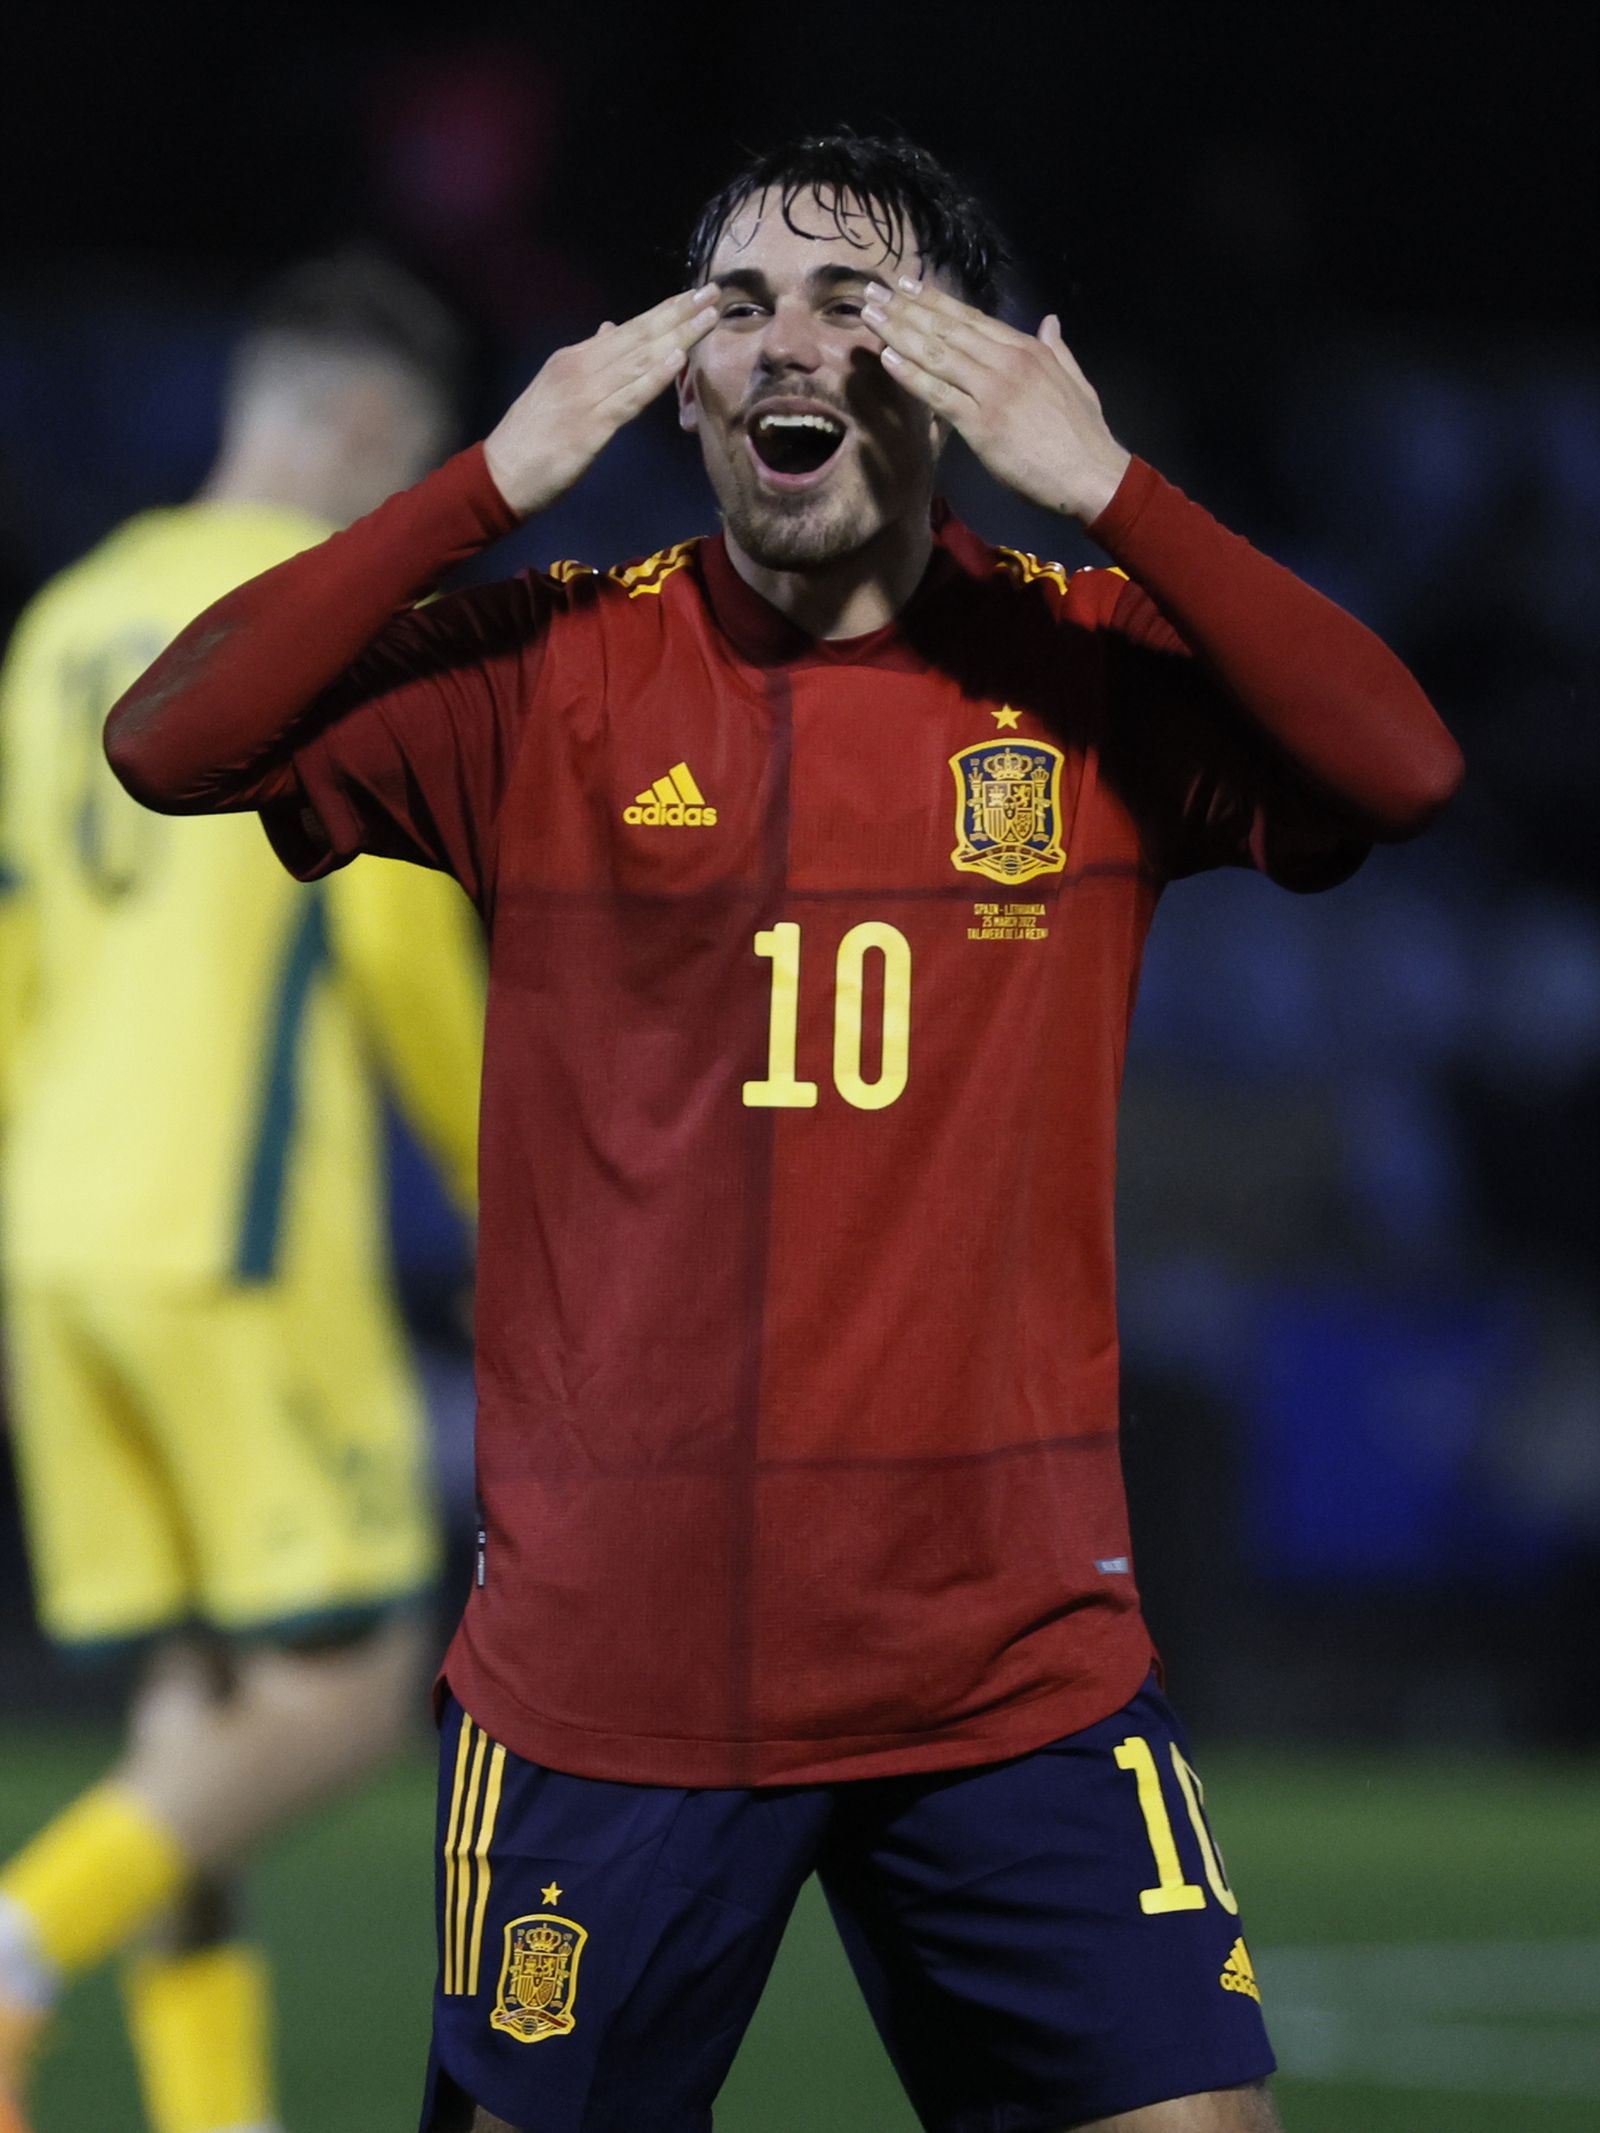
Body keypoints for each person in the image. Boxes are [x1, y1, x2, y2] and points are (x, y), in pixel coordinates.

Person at [103, 134, 1462, 2133]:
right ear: (676, 372)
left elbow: (1401, 766)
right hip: (614, 1686)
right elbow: (171, 739)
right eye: (735, 305)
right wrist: (486, 480)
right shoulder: (554, 667)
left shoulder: (1081, 673)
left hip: (1004, 1677)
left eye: (851, 299)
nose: (780, 343)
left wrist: (1110, 489)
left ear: (959, 362)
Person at [0, 257, 485, 2133]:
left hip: (57, 1241)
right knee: (348, 1696)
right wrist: (526, 1190)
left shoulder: (57, 623)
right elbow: (399, 961)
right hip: (232, 1237)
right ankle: (22, 1937)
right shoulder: (305, 625)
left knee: (191, 1731)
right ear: (365, 438)